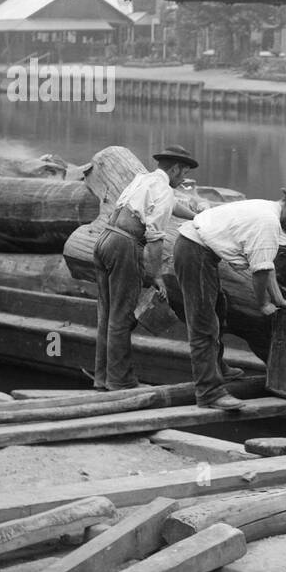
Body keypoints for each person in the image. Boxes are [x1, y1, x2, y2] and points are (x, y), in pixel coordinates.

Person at [175, 188, 286, 410]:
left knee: (219, 308)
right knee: (203, 325)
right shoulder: (268, 221)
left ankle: (217, 367)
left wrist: (279, 298)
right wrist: (263, 303)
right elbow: (260, 271)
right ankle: (209, 392)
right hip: (195, 251)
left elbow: (266, 264)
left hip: (199, 249)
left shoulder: (266, 210)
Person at [93, 145, 201, 392]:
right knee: (121, 317)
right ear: (174, 169)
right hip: (124, 245)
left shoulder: (145, 179)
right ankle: (120, 381)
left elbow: (170, 205)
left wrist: (195, 216)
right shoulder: (163, 189)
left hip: (104, 240)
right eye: (183, 173)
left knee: (106, 315)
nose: (184, 179)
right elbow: (154, 240)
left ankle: (102, 378)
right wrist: (156, 277)